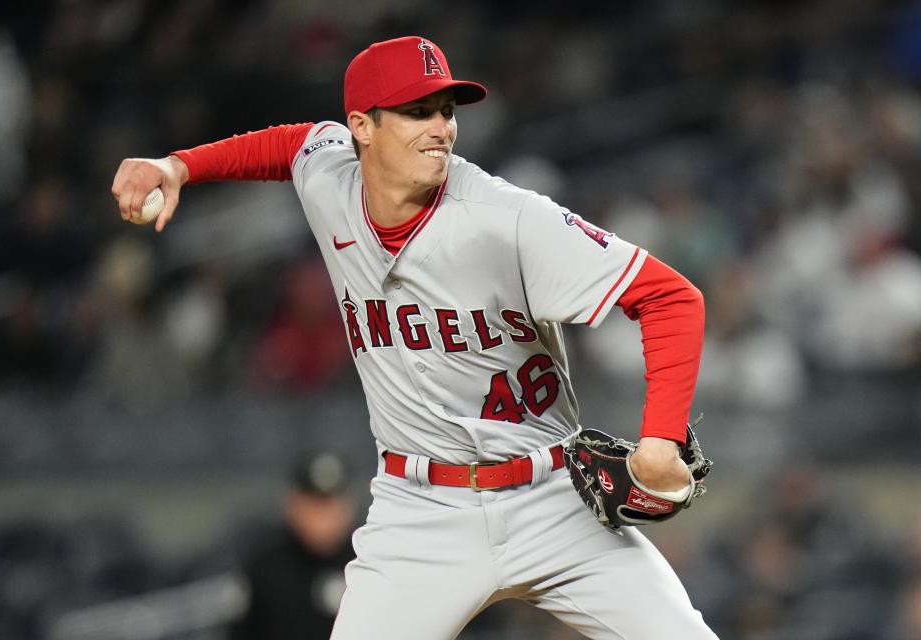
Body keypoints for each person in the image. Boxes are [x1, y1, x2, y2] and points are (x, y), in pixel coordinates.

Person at [112, 35, 717, 639]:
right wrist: (180, 166)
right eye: (417, 111)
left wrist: (659, 441)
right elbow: (287, 145)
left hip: (554, 497)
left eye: (447, 111)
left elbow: (670, 297)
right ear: (361, 128)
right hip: (421, 512)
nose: (441, 129)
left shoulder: (506, 219)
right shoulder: (330, 177)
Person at [228, 451, 357, 640]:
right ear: (292, 503)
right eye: (313, 503)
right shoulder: (264, 568)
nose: (322, 518)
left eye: (329, 504)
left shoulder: (367, 563)